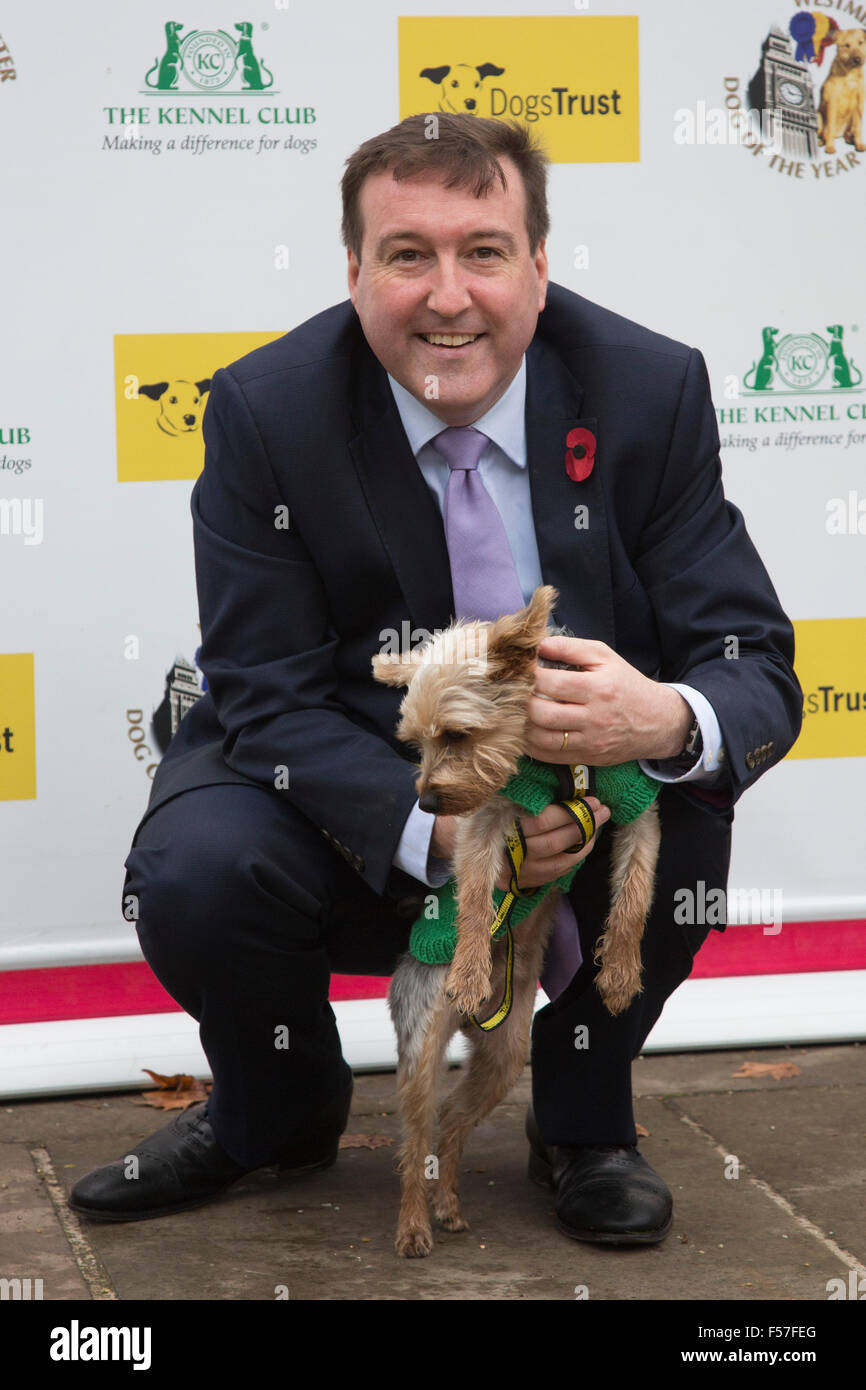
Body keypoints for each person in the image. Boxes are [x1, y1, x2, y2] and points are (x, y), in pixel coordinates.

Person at [70, 114, 802, 1244]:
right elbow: (262, 689)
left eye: (484, 250)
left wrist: (660, 716)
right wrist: (444, 833)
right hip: (361, 775)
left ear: (539, 268)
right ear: (354, 271)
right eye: (407, 254)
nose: (446, 295)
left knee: (681, 776)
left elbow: (749, 661)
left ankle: (583, 1116)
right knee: (198, 869)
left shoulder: (648, 388)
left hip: (568, 781)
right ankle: (276, 1109)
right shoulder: (269, 409)